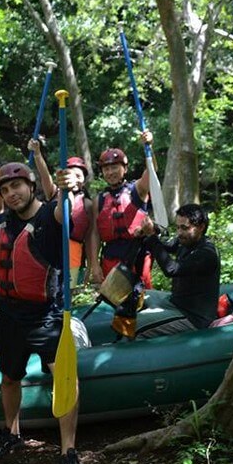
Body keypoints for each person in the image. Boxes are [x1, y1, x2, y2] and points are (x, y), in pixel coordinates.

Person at [0, 162, 89, 464]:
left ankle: (68, 450)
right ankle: (12, 432)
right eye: (5, 190)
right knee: (9, 378)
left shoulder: (50, 214)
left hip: (45, 314)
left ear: (31, 185)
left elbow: (65, 212)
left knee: (64, 377)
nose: (11, 194)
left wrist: (66, 188)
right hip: (8, 314)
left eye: (16, 186)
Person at [86, 132, 155, 339]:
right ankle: (122, 338)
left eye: (114, 167)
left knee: (141, 298)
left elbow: (151, 173)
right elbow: (96, 233)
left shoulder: (137, 190)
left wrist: (148, 148)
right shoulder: (100, 198)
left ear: (124, 168)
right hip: (111, 257)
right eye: (106, 168)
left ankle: (147, 334)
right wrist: (94, 265)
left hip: (136, 254)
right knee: (116, 302)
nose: (110, 172)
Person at [134, 204, 220, 338]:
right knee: (136, 295)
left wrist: (151, 235)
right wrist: (149, 232)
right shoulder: (186, 241)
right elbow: (165, 245)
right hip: (176, 302)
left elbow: (171, 269)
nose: (179, 232)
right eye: (178, 227)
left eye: (184, 228)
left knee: (135, 328)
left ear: (201, 227)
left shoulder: (206, 253)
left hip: (193, 317)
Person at [28, 139, 93, 286]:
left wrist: (91, 265)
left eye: (79, 176)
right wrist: (37, 154)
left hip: (74, 254)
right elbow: (45, 176)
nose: (75, 180)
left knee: (68, 292)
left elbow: (90, 236)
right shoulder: (54, 193)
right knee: (49, 287)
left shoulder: (88, 204)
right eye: (71, 175)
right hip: (50, 248)